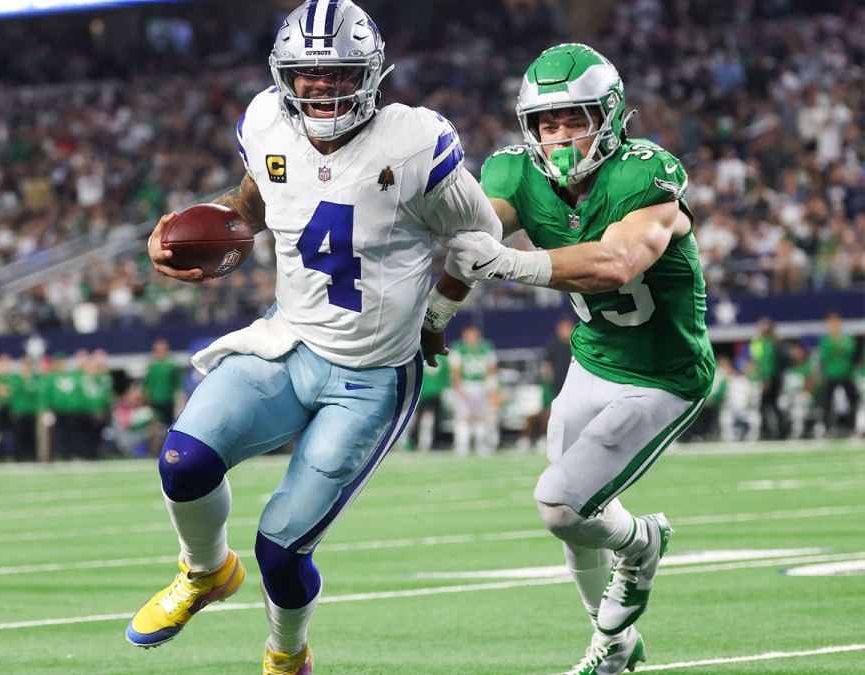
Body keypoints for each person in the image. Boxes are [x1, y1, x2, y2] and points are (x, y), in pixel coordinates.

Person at [125, 2, 503, 672]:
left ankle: (286, 652)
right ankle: (206, 570)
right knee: (183, 462)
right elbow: (252, 201)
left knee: (281, 551)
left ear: (371, 71)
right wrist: (201, 227)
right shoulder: (268, 121)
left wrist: (438, 314)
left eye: (339, 72)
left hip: (370, 378)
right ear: (285, 77)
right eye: (309, 73)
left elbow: (481, 239)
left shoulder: (415, 143)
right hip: (287, 343)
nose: (323, 86)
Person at [426, 44, 714, 674]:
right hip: (592, 362)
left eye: (574, 120)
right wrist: (436, 312)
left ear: (609, 118)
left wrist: (509, 263)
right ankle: (611, 647)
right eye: (546, 124)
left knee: (560, 504)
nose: (559, 136)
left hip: (663, 375)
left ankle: (642, 544)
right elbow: (478, 239)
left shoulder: (646, 173)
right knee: (573, 520)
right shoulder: (512, 171)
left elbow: (616, 265)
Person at [447, 325, 500, 457]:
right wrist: (458, 388)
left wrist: (490, 386)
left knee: (481, 418)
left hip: (481, 385)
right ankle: (462, 445)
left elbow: (492, 368)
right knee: (463, 418)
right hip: (466, 385)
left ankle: (480, 444)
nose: (472, 338)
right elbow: (455, 370)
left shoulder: (486, 347)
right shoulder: (458, 348)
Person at [816, 312, 860, 436]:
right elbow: (826, 356)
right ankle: (826, 426)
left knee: (854, 399)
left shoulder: (847, 338)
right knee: (826, 401)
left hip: (845, 372)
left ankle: (851, 425)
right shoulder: (825, 340)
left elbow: (850, 352)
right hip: (831, 373)